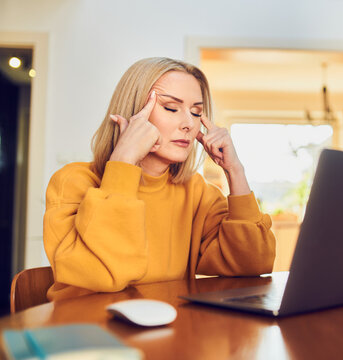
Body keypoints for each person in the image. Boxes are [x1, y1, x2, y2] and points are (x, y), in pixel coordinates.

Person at [44, 57, 276, 301]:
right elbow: (100, 276)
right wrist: (123, 161)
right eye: (171, 108)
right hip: (90, 328)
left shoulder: (197, 192)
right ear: (134, 113)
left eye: (196, 112)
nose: (189, 124)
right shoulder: (73, 182)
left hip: (170, 331)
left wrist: (235, 171)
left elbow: (253, 263)